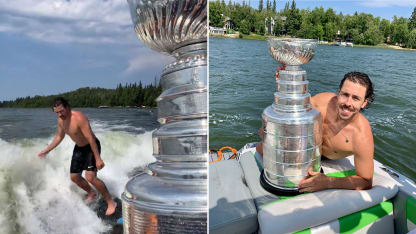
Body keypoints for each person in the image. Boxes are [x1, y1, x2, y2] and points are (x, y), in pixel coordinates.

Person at [257, 67, 375, 193]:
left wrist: (328, 182)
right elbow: (295, 106)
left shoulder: (361, 135)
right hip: (307, 145)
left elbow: (366, 181)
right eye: (345, 95)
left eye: (356, 98)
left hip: (325, 157)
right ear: (339, 92)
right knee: (261, 146)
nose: (348, 103)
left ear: (364, 103)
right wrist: (287, 82)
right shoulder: (323, 102)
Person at [38, 97, 117, 215]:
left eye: (61, 111)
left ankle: (111, 202)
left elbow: (91, 139)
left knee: (91, 177)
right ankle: (91, 193)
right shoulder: (61, 121)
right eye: (57, 112)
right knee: (74, 177)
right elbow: (59, 137)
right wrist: (46, 151)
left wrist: (98, 158)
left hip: (91, 146)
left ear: (68, 108)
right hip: (79, 148)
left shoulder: (79, 118)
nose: (60, 114)